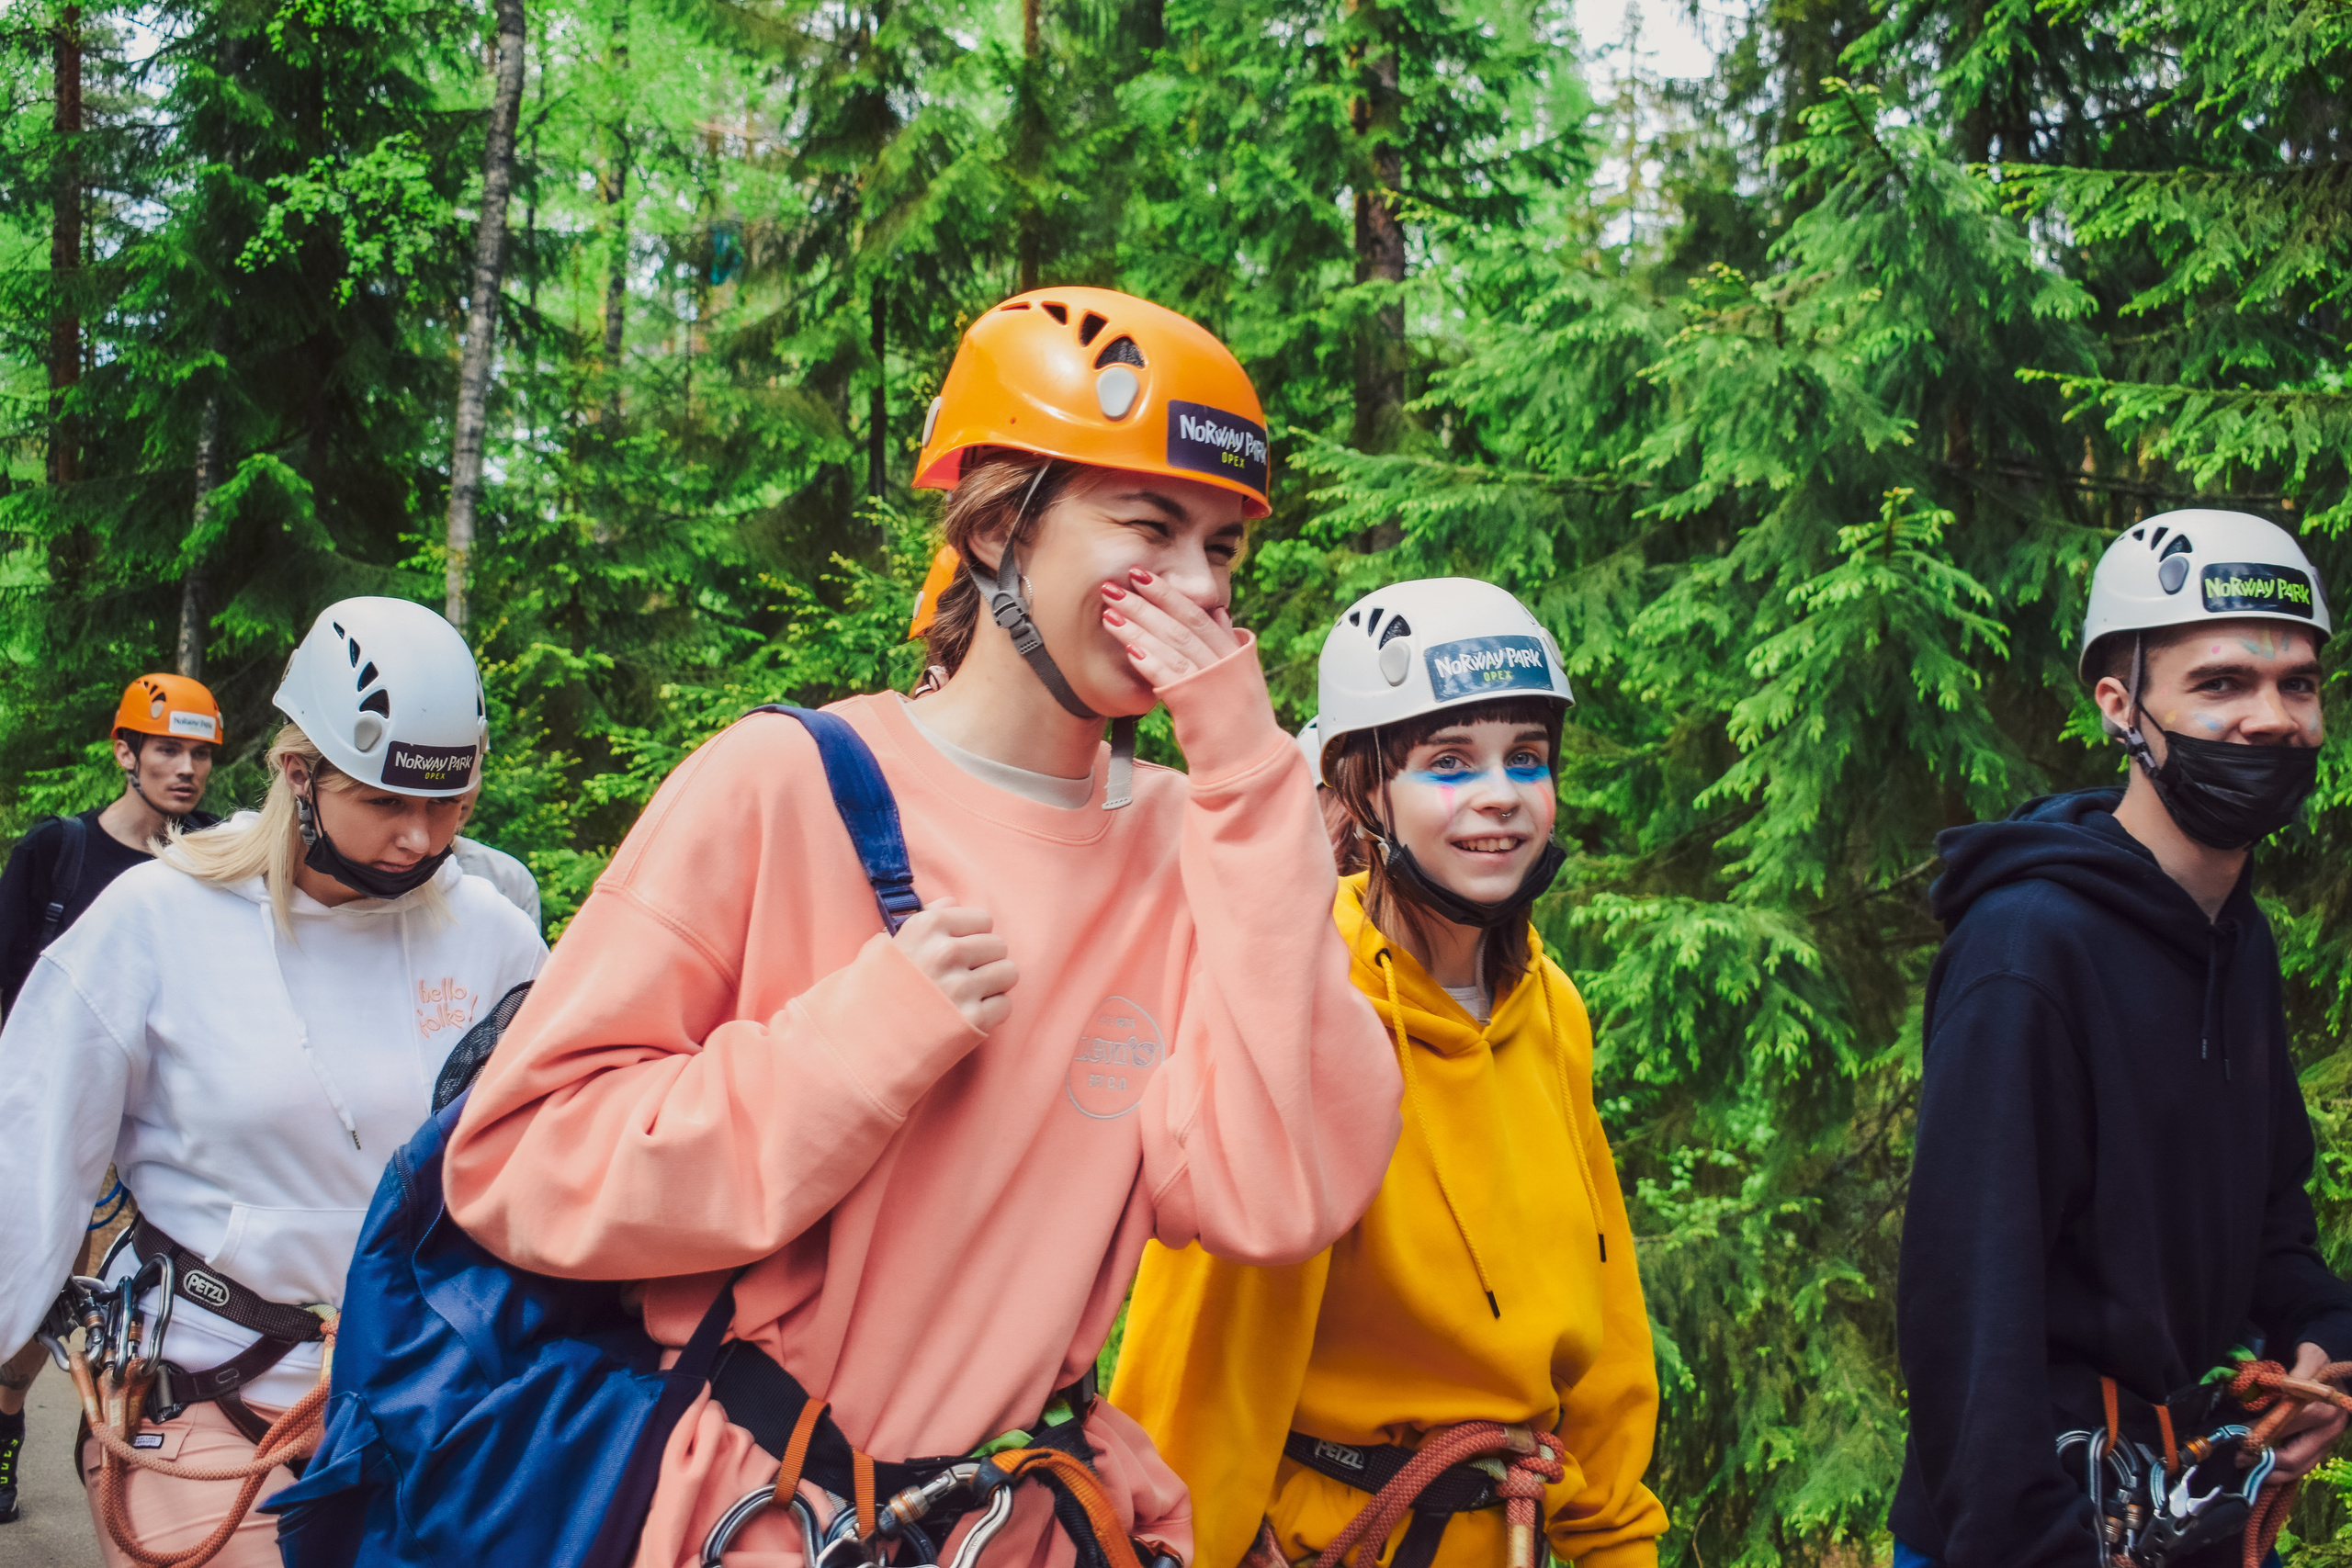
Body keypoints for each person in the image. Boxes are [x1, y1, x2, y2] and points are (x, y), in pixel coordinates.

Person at [441, 286, 1401, 1568]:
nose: (1196, 588)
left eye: (1222, 549)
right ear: (1002, 527)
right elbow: (518, 1161)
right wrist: (853, 1047)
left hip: (1019, 1523)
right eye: (1151, 525)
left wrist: (1245, 770)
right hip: (757, 1519)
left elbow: (1284, 1189)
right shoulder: (778, 783)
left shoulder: (1198, 841)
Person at [1113, 579, 1668, 1568]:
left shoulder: (1552, 1007)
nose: (1499, 794)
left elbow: (1609, 1325)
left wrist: (1618, 1544)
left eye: (1526, 759)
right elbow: (1209, 1349)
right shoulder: (1299, 1006)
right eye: (1448, 763)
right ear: (1365, 787)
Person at [0, 597, 546, 1568]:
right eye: (385, 802)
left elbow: (544, 1160)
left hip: (428, 1401)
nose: (421, 839)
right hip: (201, 1388)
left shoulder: (494, 937)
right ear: (299, 774)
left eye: (449, 805)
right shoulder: (159, 921)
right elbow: (30, 1152)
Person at [1892, 510, 2352, 1568]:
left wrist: (2321, 1342)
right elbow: (1969, 1308)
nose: (2271, 719)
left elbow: (2269, 1225)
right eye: (2221, 683)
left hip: (2191, 1506)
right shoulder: (2027, 950)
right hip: (2030, 1530)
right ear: (2119, 706)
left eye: (2298, 685)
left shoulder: (2235, 940)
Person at [0, 671, 223, 1525]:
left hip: (168, 1131)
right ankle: (10, 1410)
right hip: (65, 1117)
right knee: (38, 1288)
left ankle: (124, 1451)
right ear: (124, 750)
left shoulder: (217, 854)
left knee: (150, 1306)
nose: (186, 768)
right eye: (167, 747)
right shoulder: (57, 853)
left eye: (201, 752)